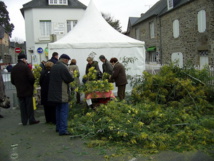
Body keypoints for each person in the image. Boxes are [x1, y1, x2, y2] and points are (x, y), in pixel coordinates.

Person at [48, 54, 74, 136]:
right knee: (63, 111)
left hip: (54, 93)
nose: (68, 62)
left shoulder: (54, 66)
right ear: (65, 60)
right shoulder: (63, 67)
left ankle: (58, 127)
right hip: (61, 92)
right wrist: (71, 73)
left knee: (58, 110)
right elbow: (69, 79)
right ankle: (63, 130)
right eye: (67, 61)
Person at [11, 53, 40, 125]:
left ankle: (24, 121)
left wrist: (18, 85)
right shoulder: (26, 67)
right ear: (23, 59)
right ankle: (31, 119)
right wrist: (31, 84)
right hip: (27, 90)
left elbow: (12, 81)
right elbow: (31, 78)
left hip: (19, 90)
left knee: (22, 107)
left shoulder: (14, 68)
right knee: (29, 106)